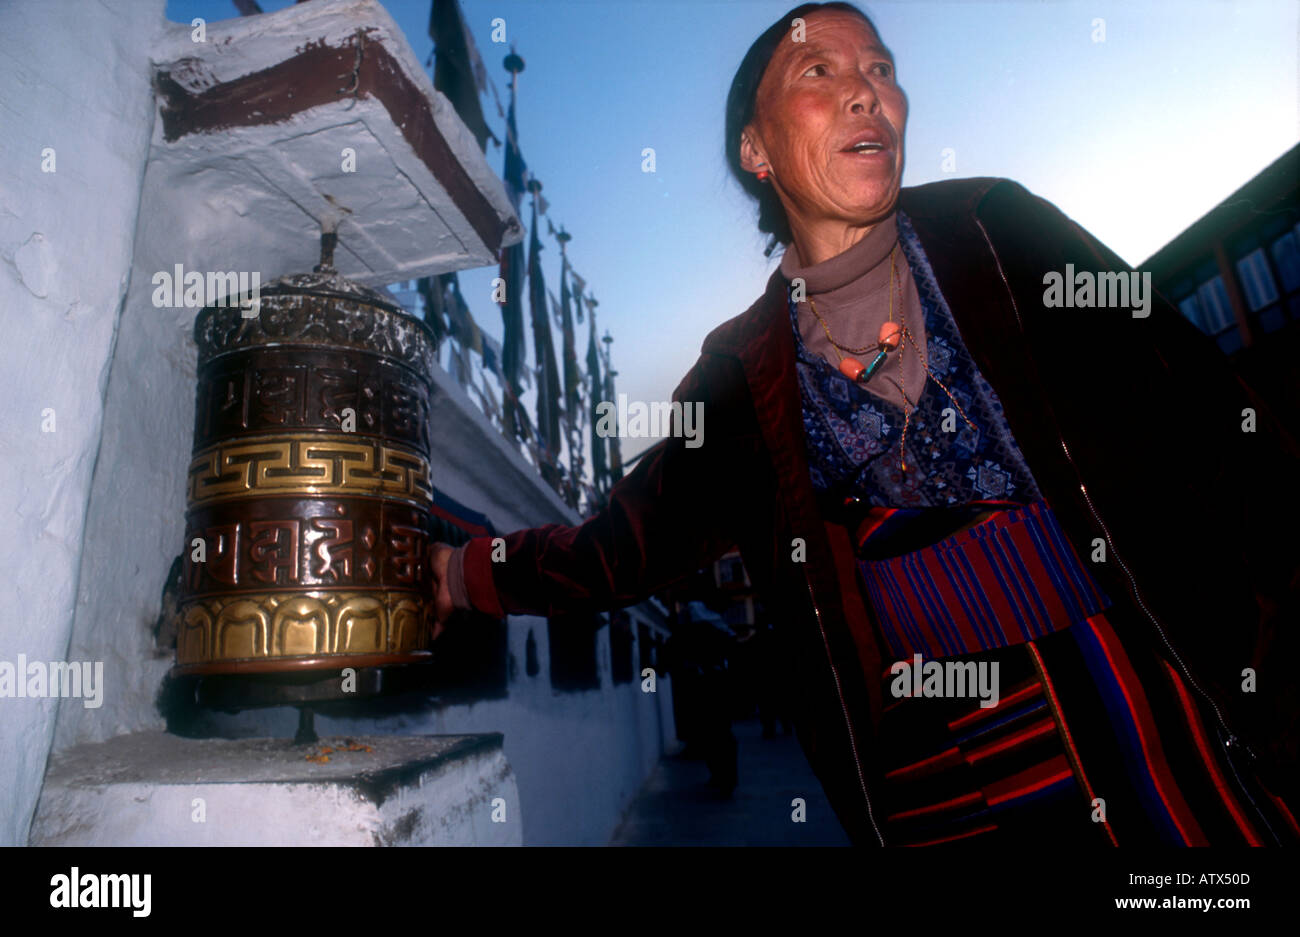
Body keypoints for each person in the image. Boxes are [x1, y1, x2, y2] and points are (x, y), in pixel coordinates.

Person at [430, 2, 1300, 846]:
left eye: (880, 69)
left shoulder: (999, 229)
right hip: (943, 770)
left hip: (1156, 701)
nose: (866, 90)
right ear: (756, 148)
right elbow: (616, 548)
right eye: (821, 70)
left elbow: (1210, 413)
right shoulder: (740, 375)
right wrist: (459, 573)